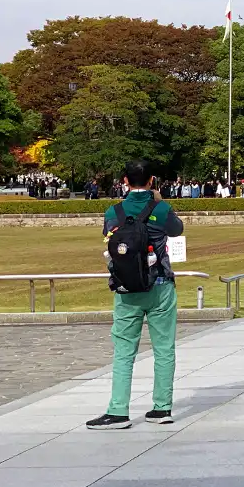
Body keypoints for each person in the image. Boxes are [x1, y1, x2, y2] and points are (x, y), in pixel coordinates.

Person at [87, 160, 184, 430]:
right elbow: (177, 230)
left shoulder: (114, 210)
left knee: (124, 351)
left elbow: (108, 235)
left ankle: (118, 410)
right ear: (151, 180)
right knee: (164, 348)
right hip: (160, 285)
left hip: (126, 288)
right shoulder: (161, 208)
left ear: (125, 181)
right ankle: (161, 407)